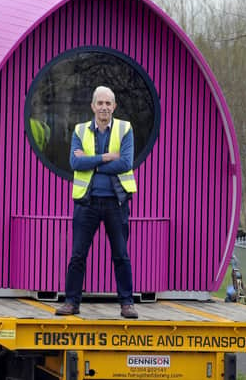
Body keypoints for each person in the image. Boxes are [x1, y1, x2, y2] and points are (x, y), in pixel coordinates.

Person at [55, 86, 139, 319]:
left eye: (108, 103)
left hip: (116, 203)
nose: (104, 107)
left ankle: (127, 303)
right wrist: (104, 158)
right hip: (87, 202)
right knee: (77, 255)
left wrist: (91, 162)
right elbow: (74, 163)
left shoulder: (125, 129)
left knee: (121, 254)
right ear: (92, 106)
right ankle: (71, 302)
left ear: (114, 107)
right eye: (99, 103)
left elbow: (125, 164)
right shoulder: (80, 131)